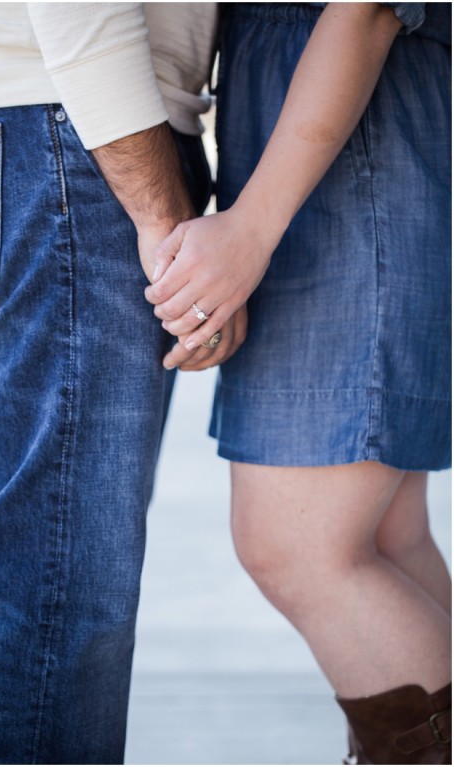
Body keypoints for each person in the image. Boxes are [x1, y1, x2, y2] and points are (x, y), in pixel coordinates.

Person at [145, 3, 451, 762]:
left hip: (350, 162)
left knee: (299, 547)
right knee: (382, 536)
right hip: (341, 148)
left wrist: (250, 229)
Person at [0, 3, 242, 763]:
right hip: (74, 136)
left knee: (52, 585)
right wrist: (163, 215)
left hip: (67, 131)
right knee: (53, 601)